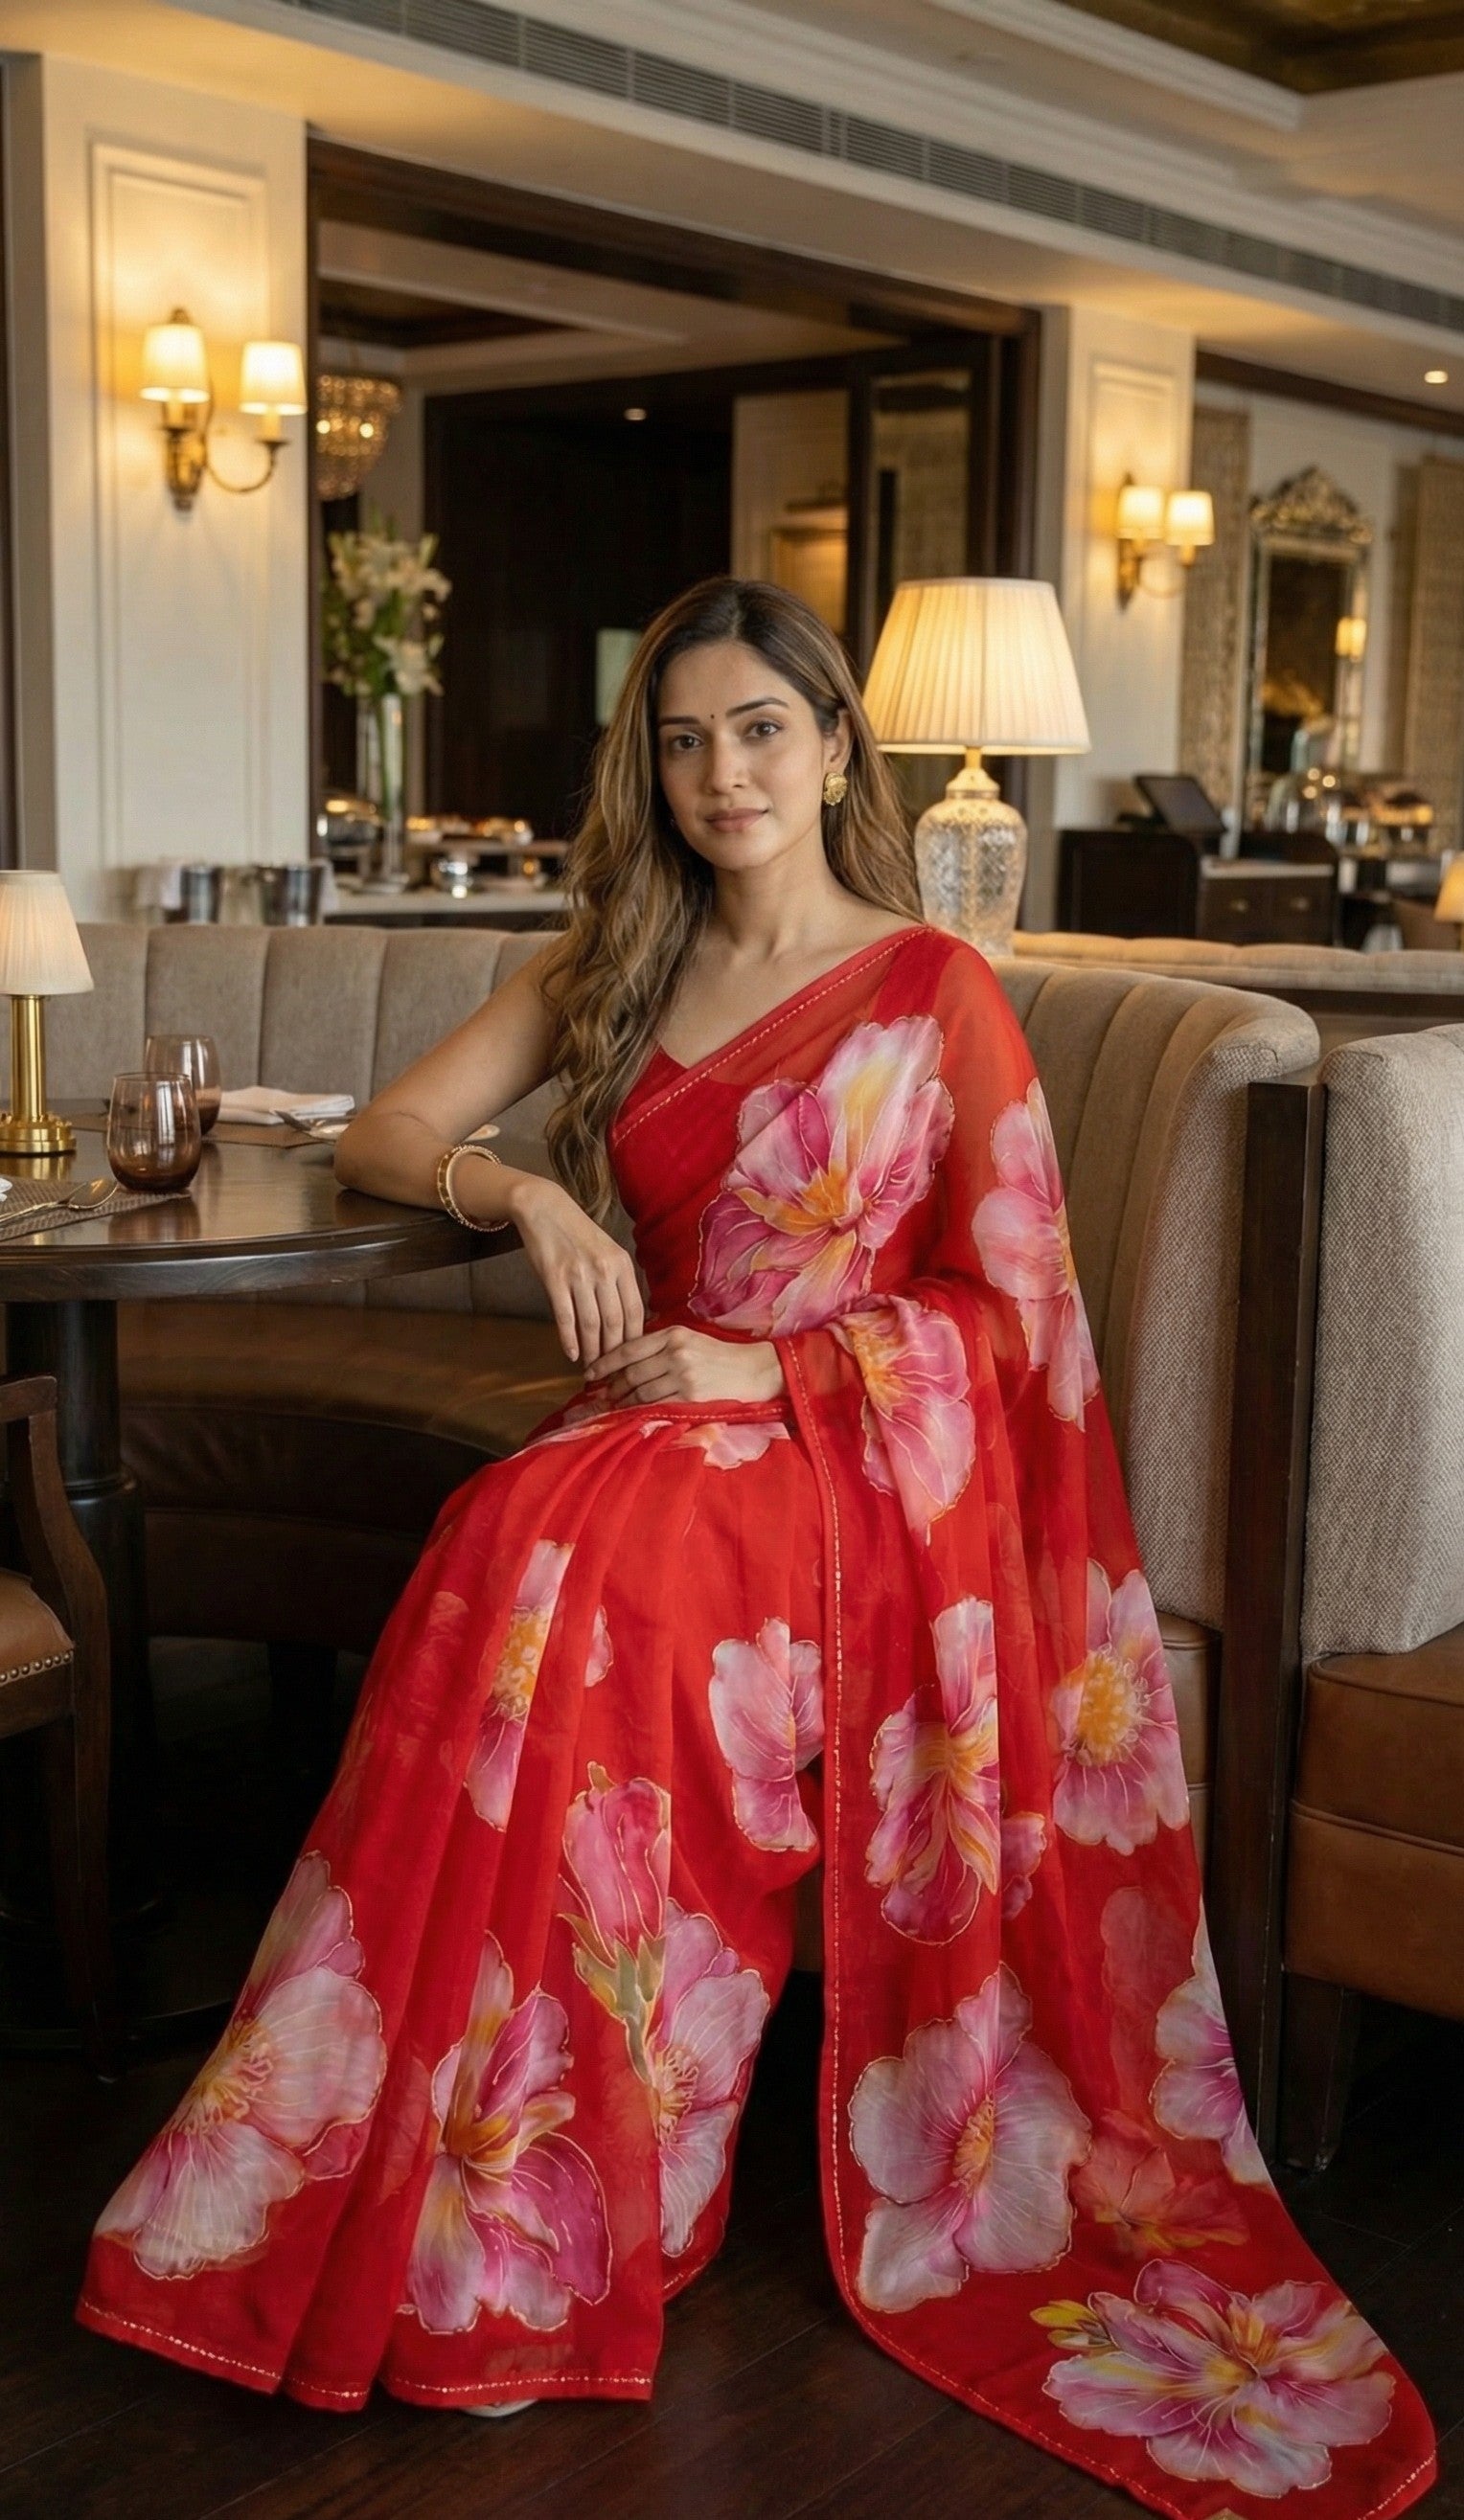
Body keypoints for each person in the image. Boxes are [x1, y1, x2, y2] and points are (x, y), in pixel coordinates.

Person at [78, 579, 1434, 2519]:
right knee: (518, 1518)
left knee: (576, 1550)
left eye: (759, 731)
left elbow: (1015, 1318)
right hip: (640, 1436)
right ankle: (426, 2163)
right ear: (651, 764)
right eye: (683, 737)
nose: (722, 772)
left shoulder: (931, 991)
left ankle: (567, 2198)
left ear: (832, 748)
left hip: (843, 1469)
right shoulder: (608, 969)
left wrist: (772, 1358)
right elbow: (384, 1133)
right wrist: (528, 1195)